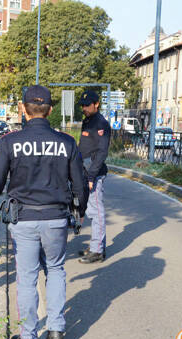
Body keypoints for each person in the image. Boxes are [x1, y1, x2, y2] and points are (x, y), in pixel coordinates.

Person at [0, 85, 87, 339]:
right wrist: (80, 210)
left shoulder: (10, 142)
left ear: (23, 109)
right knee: (56, 269)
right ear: (49, 110)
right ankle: (55, 330)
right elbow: (80, 183)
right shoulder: (66, 142)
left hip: (23, 217)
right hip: (56, 217)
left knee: (26, 277)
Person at [77, 91, 111, 264]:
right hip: (85, 171)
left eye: (87, 104)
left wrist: (91, 175)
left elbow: (101, 152)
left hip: (95, 174)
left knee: (96, 212)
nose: (84, 108)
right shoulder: (88, 121)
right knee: (91, 210)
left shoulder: (101, 123)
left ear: (96, 104)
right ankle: (95, 245)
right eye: (82, 105)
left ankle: (97, 251)